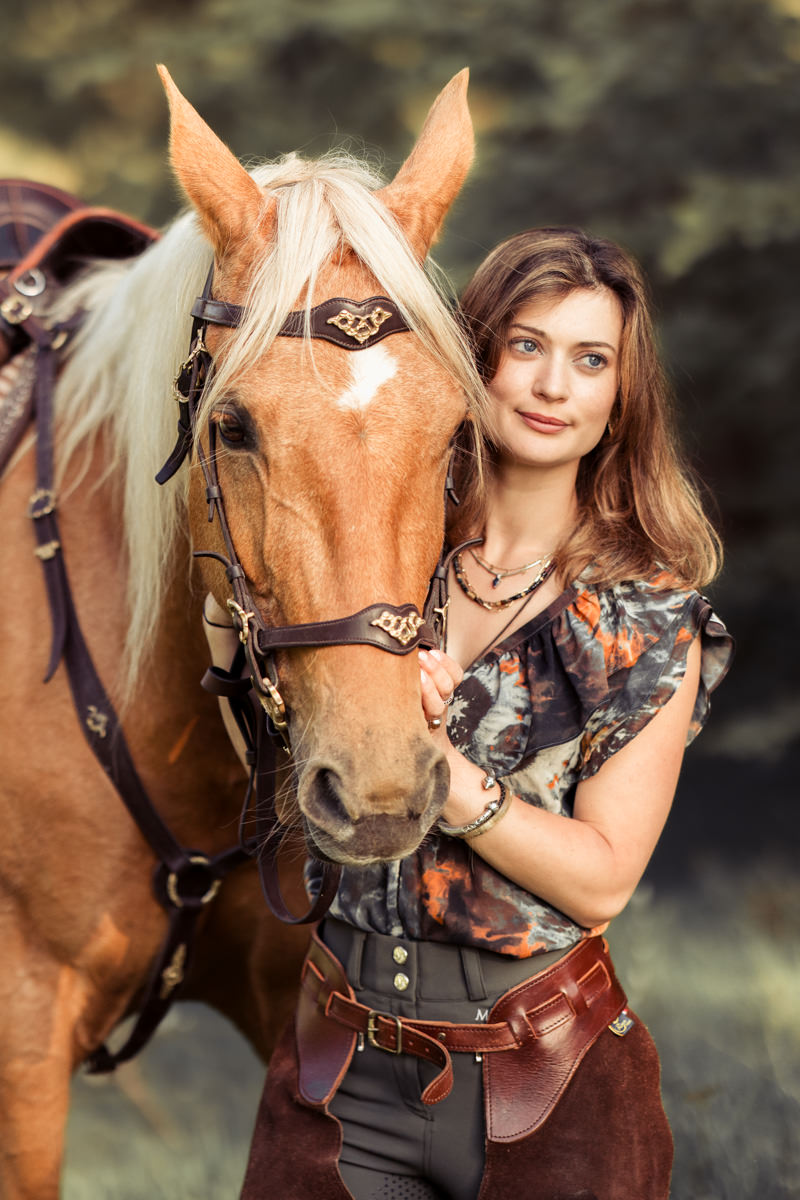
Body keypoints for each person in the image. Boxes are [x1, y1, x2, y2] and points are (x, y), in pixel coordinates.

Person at [233, 227, 733, 1200]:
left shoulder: (643, 616)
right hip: (337, 1067)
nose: (553, 387)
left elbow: (600, 882)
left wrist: (449, 777)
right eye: (526, 346)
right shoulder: (382, 565)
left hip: (549, 1077)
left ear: (618, 397)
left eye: (590, 361)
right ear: (474, 357)